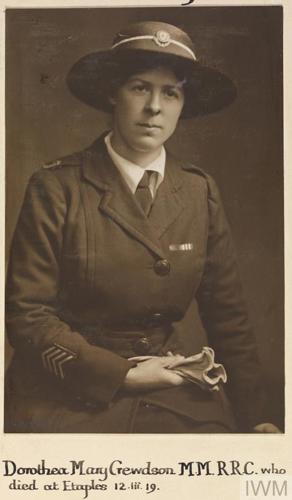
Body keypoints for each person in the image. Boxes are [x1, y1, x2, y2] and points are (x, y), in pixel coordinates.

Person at [5, 21, 280, 433]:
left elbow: (229, 316)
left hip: (171, 382)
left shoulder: (197, 190)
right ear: (111, 93)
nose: (154, 107)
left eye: (170, 92)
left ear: (183, 103)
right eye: (139, 87)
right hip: (70, 392)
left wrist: (257, 416)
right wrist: (124, 375)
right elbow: (27, 316)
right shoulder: (57, 187)